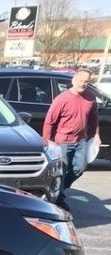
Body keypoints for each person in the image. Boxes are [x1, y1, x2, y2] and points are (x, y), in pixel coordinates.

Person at [42, 68, 99, 208]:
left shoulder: (90, 97)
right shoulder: (62, 99)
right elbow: (50, 121)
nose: (83, 84)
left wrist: (96, 135)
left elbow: (94, 118)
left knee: (80, 167)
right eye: (81, 80)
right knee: (62, 171)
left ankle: (58, 189)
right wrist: (47, 142)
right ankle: (59, 199)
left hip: (80, 141)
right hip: (62, 141)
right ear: (74, 80)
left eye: (86, 81)